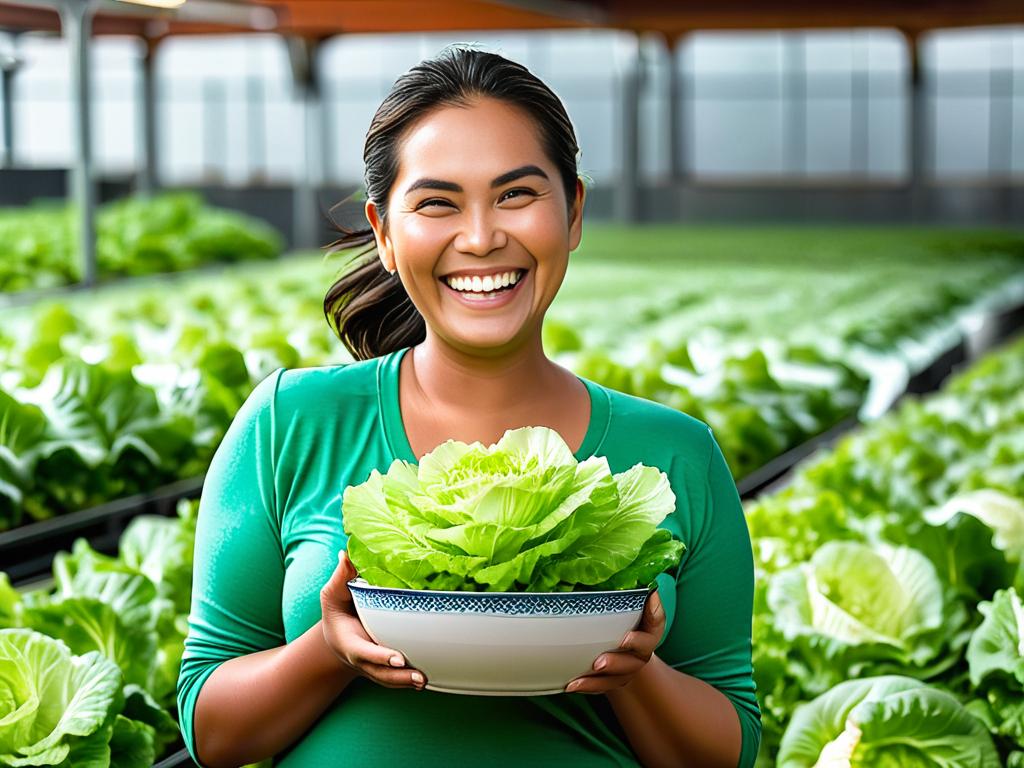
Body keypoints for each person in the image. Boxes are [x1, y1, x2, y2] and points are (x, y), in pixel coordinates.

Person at [177, 46, 760, 768]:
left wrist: (636, 674)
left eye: (517, 195)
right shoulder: (287, 425)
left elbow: (728, 750)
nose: (481, 237)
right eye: (436, 203)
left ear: (574, 212)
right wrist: (329, 649)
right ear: (385, 233)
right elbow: (211, 733)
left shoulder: (678, 454)